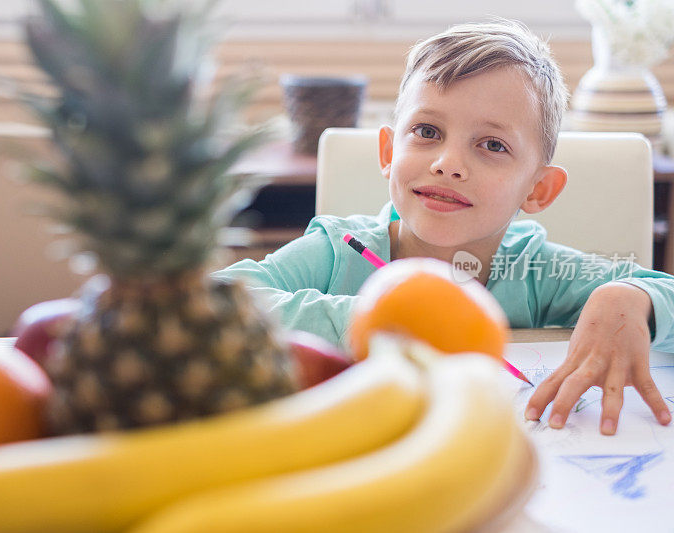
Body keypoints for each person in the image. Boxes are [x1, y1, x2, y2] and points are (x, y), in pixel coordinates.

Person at [213, 17, 674, 435]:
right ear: (389, 154)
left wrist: (634, 299)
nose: (448, 164)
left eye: (492, 144)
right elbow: (220, 299)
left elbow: (658, 295)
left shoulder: (536, 272)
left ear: (538, 190)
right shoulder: (338, 250)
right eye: (428, 132)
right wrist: (388, 324)